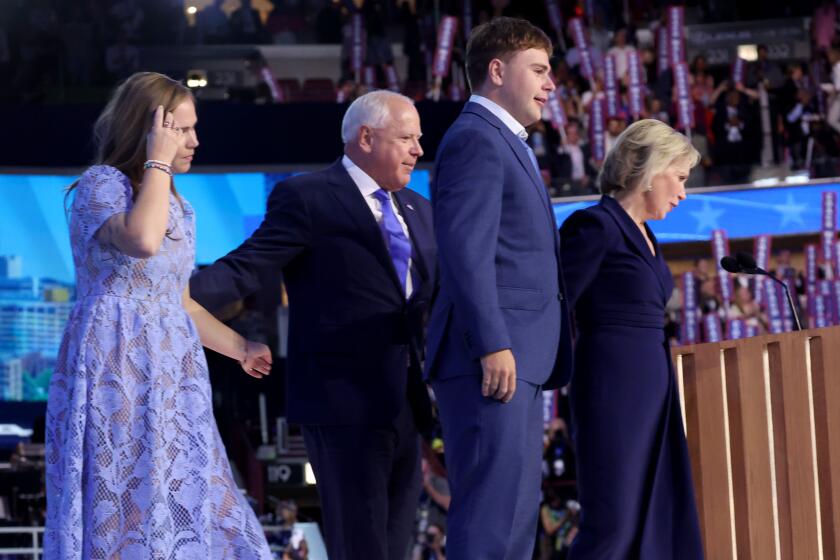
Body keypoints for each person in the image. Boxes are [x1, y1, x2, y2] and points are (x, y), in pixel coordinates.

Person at [189, 89, 435, 560]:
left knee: (397, 546)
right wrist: (168, 298)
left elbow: (441, 296)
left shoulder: (421, 210)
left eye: (418, 139)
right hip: (342, 403)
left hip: (408, 402)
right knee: (361, 547)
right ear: (366, 137)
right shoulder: (309, 197)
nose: (418, 150)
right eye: (406, 138)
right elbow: (247, 266)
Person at [44, 72, 273, 559]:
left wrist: (239, 347)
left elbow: (180, 301)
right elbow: (143, 241)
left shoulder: (180, 208)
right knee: (127, 498)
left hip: (172, 378)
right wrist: (157, 160)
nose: (194, 140)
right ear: (150, 131)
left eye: (191, 130)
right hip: (116, 368)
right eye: (181, 130)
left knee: (194, 498)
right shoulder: (101, 186)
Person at [425, 17, 573, 558]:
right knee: (491, 518)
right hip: (492, 355)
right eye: (537, 70)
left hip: (516, 355)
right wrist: (492, 342)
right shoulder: (476, 140)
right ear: (496, 71)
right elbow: (466, 253)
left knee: (513, 518)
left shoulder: (503, 141)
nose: (550, 84)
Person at [559, 119, 703, 558]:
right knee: (614, 521)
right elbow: (556, 305)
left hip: (652, 389)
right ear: (650, 169)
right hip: (611, 388)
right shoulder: (594, 225)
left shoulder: (649, 235)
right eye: (678, 179)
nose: (682, 193)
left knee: (651, 515)